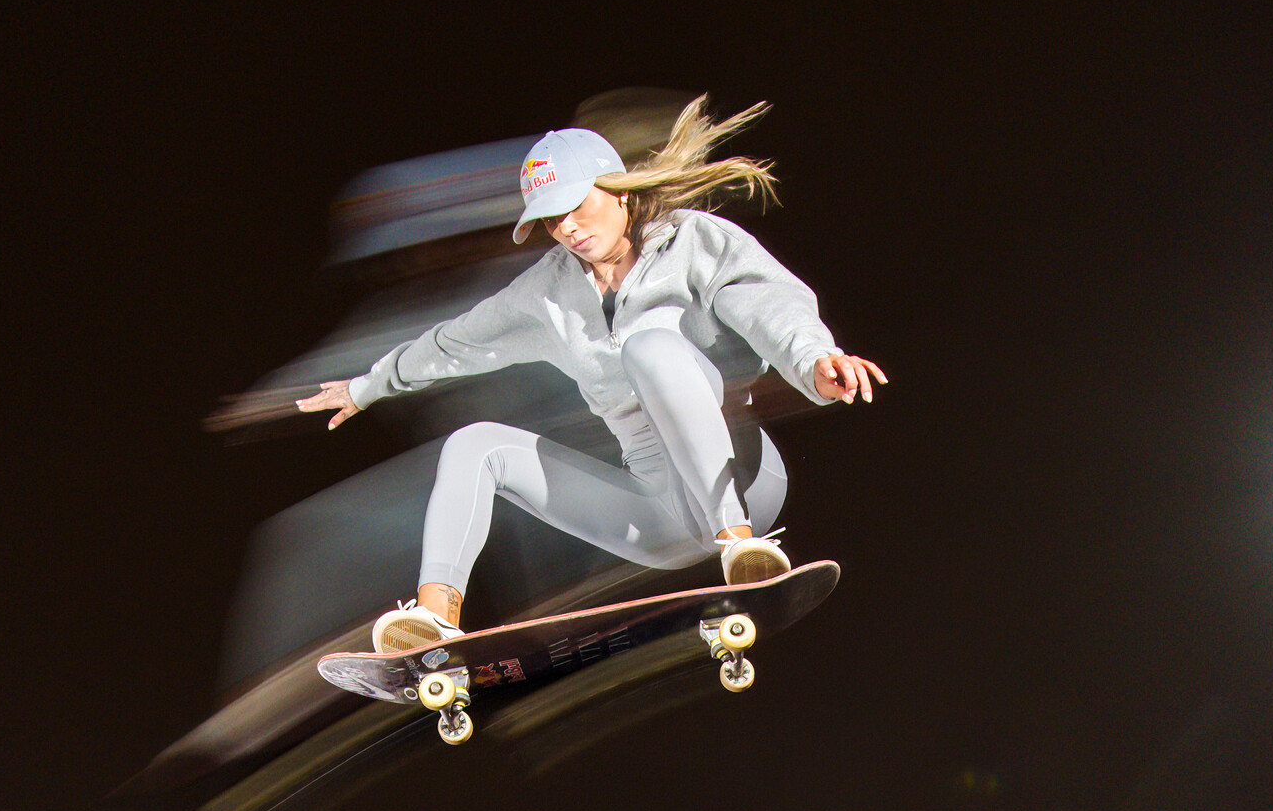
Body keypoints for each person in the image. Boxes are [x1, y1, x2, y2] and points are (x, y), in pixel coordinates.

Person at [296, 98, 887, 652]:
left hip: (745, 478)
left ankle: (740, 546)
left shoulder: (691, 242)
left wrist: (813, 359)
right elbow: (457, 342)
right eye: (553, 221)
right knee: (474, 445)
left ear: (620, 192)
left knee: (650, 346)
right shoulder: (546, 294)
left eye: (579, 207)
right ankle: (433, 621)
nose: (570, 230)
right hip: (657, 514)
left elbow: (767, 301)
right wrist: (367, 385)